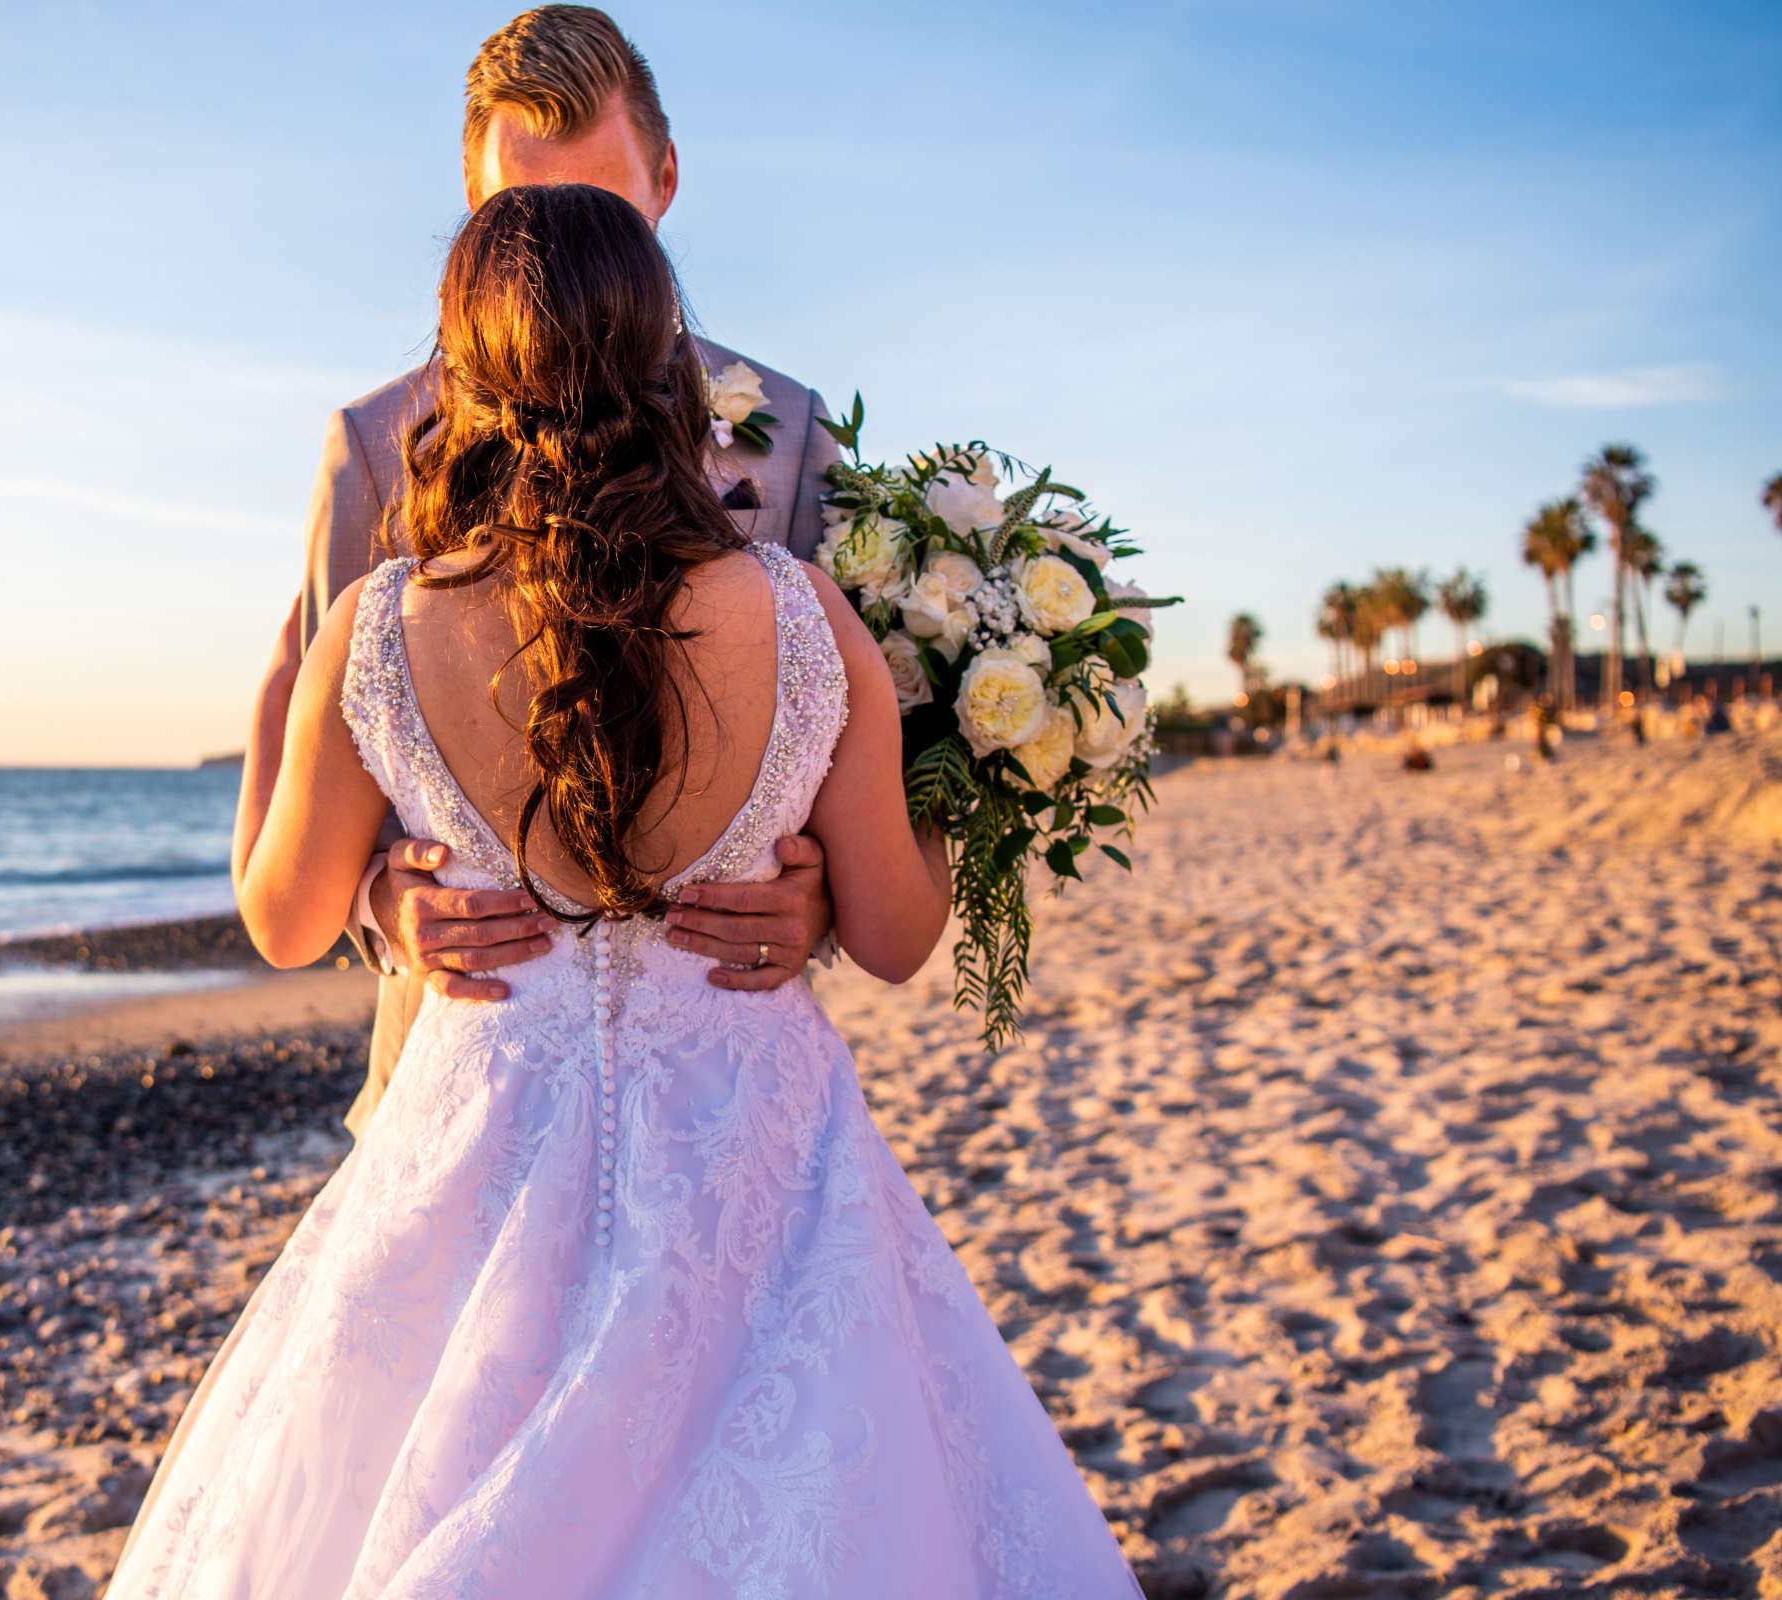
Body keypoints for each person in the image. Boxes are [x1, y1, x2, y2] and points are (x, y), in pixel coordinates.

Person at [104, 182, 1142, 1598]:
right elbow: (899, 937)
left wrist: (290, 683)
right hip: (757, 1181)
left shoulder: (382, 624)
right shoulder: (799, 609)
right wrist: (926, 804)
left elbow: (285, 922)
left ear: (461, 381)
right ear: (673, 373)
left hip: (476, 1169)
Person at [251, 5, 842, 1143]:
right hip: (453, 1081)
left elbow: (846, 745)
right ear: (476, 211)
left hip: (726, 1088)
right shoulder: (374, 447)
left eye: (603, 206)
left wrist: (821, 899)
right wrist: (386, 906)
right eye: (525, 209)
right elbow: (334, 795)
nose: (568, 243)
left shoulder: (789, 430)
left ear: (665, 183)